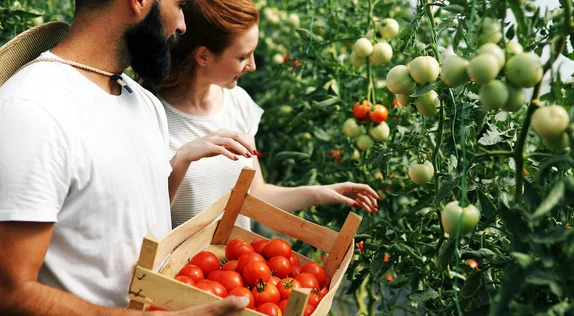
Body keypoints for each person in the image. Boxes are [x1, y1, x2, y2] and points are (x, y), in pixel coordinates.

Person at [0, 0, 253, 314]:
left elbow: (142, 220)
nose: (182, 24)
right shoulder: (33, 109)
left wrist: (182, 161)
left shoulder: (142, 101)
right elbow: (11, 292)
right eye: (179, 5)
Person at [156, 0, 381, 230]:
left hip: (235, 262)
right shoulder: (154, 114)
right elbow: (147, 216)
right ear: (203, 56)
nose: (252, 65)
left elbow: (255, 193)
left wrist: (319, 193)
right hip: (180, 265)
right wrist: (182, 158)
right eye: (243, 56)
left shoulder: (238, 103)